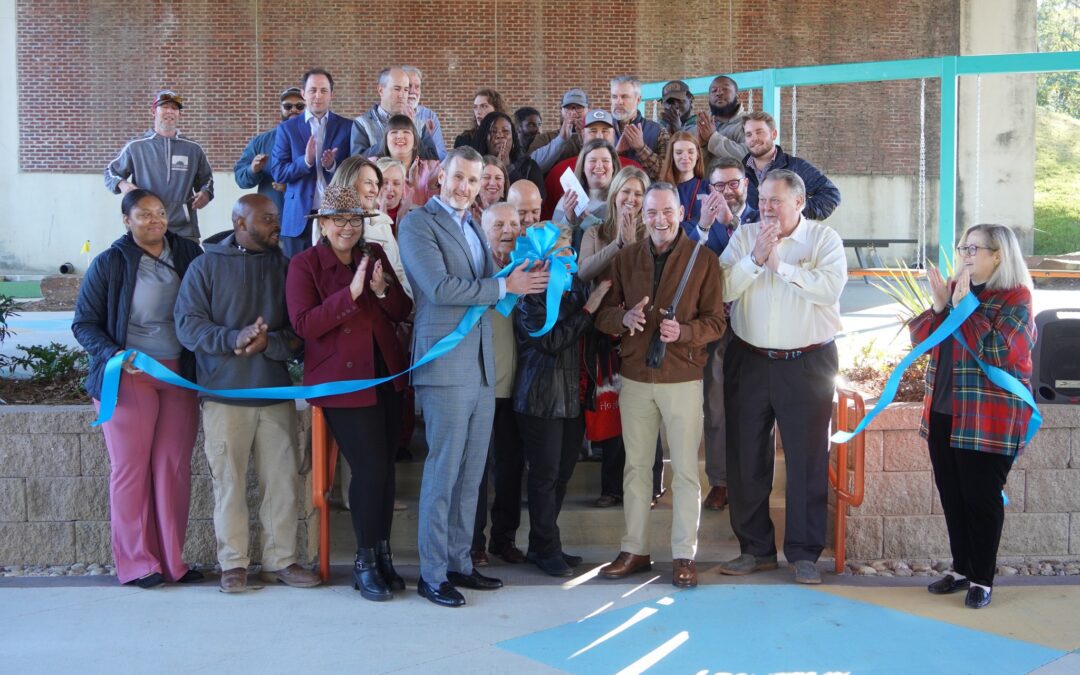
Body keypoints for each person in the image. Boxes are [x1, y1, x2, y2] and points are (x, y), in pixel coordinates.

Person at [398, 146, 549, 608]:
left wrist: (526, 277)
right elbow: (441, 289)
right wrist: (506, 286)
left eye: (472, 180)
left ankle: (461, 562)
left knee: (470, 475)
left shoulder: (471, 225)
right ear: (442, 176)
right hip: (445, 364)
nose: (464, 187)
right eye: (458, 178)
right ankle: (432, 572)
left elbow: (490, 291)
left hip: (482, 365)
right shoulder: (418, 223)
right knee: (444, 470)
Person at [174, 194, 320, 593]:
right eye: (268, 219)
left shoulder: (288, 268)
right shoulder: (204, 267)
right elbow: (187, 326)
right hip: (223, 397)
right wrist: (232, 337)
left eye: (276, 217)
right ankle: (233, 564)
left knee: (283, 483)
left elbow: (299, 333)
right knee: (230, 483)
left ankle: (281, 561)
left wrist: (268, 344)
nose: (277, 224)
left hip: (274, 396)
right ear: (241, 223)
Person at [717, 170, 846, 585]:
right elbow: (722, 288)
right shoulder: (744, 236)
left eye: (776, 201)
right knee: (745, 457)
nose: (767, 208)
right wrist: (755, 260)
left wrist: (781, 265)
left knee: (807, 458)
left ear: (799, 203)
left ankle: (804, 553)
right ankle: (754, 549)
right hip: (749, 359)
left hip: (808, 363)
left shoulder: (824, 241)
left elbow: (827, 290)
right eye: (763, 200)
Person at [593, 183, 725, 588]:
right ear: (642, 216)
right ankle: (635, 549)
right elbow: (603, 315)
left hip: (681, 377)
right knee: (635, 469)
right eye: (651, 212)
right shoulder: (627, 258)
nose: (659, 219)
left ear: (681, 213)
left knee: (685, 471)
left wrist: (682, 331)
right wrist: (623, 320)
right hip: (635, 377)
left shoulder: (704, 261)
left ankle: (685, 555)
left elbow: (717, 322)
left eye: (666, 211)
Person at [286, 186, 413, 601]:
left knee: (387, 469)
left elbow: (401, 310)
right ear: (322, 224)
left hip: (386, 375)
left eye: (354, 219)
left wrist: (379, 291)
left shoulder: (372, 254)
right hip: (343, 383)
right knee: (370, 468)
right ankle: (363, 560)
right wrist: (352, 295)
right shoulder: (305, 265)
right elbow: (304, 325)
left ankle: (383, 553)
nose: (347, 227)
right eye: (337, 219)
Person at [72, 188, 204, 589]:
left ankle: (171, 561)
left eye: (160, 213)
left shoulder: (188, 254)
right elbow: (84, 323)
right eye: (144, 214)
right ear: (126, 221)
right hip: (128, 376)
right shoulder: (110, 263)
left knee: (173, 469)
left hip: (177, 376)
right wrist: (114, 353)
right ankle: (137, 563)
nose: (155, 220)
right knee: (130, 470)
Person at [918, 224, 1035, 609]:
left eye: (974, 248)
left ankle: (982, 577)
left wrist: (964, 307)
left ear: (998, 254)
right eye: (963, 246)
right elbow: (921, 341)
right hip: (943, 411)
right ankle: (961, 567)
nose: (965, 254)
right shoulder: (956, 293)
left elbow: (997, 353)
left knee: (981, 499)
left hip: (989, 418)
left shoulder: (1015, 299)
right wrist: (940, 307)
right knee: (952, 495)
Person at [515, 225, 612, 577]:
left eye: (568, 250)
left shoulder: (572, 288)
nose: (567, 258)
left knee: (561, 476)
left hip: (573, 396)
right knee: (545, 477)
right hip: (542, 398)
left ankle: (542, 545)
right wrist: (589, 309)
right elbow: (552, 340)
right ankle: (546, 548)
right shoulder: (531, 294)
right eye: (558, 252)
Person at [578, 167, 663, 509]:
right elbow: (584, 271)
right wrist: (618, 245)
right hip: (606, 331)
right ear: (614, 195)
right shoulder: (595, 232)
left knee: (647, 412)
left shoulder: (656, 233)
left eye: (639, 194)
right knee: (615, 411)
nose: (631, 199)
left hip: (643, 331)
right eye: (625, 192)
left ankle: (651, 486)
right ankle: (612, 487)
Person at [697, 158, 759, 512]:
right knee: (716, 409)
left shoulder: (758, 217)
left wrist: (732, 224)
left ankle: (748, 480)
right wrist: (707, 226)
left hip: (755, 327)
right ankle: (719, 481)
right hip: (717, 331)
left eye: (732, 184)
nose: (726, 192)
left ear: (745, 185)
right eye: (718, 186)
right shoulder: (702, 225)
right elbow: (688, 261)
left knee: (754, 410)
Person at [471, 202, 527, 567]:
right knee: (475, 469)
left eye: (514, 223)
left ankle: (503, 539)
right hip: (478, 385)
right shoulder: (474, 269)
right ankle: (472, 541)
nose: (507, 230)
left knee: (510, 468)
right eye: (498, 224)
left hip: (517, 387)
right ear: (482, 228)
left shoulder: (530, 267)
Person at [105, 90, 214, 241]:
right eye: (164, 107)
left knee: (188, 265)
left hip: (185, 230)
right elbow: (110, 172)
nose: (170, 111)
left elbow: (206, 179)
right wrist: (124, 185)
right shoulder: (135, 147)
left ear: (179, 114)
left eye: (174, 108)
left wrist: (206, 193)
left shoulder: (193, 148)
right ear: (153, 111)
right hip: (146, 227)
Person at [271, 68, 353, 258]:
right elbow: (278, 172)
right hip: (299, 217)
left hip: (335, 215)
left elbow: (353, 171)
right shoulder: (286, 129)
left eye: (324, 90)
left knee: (334, 278)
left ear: (331, 94)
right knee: (298, 278)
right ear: (303, 93)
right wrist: (305, 161)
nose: (318, 95)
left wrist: (332, 165)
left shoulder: (347, 127)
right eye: (313, 90)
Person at [329, 155, 412, 299]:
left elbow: (399, 273)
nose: (375, 189)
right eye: (368, 183)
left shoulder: (383, 222)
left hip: (388, 305)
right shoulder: (327, 222)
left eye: (376, 183)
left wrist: (404, 301)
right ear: (350, 183)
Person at [541, 109, 641, 221]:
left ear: (614, 134)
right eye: (593, 131)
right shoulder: (560, 171)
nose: (599, 136)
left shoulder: (632, 169)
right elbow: (548, 219)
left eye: (605, 131)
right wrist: (568, 219)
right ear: (583, 134)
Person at [741, 111, 841, 221]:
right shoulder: (739, 172)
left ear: (774, 134)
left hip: (789, 236)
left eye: (759, 132)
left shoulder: (796, 167)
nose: (754, 138)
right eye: (749, 134)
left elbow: (831, 195)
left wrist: (796, 210)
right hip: (750, 235)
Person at [233, 86, 305, 214]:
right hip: (272, 221)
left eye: (299, 106)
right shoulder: (261, 141)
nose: (293, 109)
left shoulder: (317, 140)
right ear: (280, 108)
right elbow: (241, 179)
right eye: (288, 106)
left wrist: (291, 188)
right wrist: (252, 170)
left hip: (305, 217)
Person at [351, 67, 440, 159]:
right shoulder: (362, 123)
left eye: (406, 90)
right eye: (397, 89)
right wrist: (390, 140)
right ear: (380, 90)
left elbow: (432, 159)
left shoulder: (418, 124)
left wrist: (412, 130)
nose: (402, 95)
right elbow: (356, 163)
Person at [553, 139, 619, 248]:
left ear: (613, 166)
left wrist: (588, 219)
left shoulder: (621, 200)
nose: (599, 165)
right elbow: (553, 244)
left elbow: (620, 240)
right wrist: (569, 219)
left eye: (605, 160)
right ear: (583, 167)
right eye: (592, 160)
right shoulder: (567, 200)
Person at [659, 131, 715, 246]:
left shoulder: (709, 188)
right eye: (679, 153)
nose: (685, 157)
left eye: (690, 152)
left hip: (703, 249)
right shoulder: (661, 191)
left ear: (698, 155)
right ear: (672, 156)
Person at [472, 111, 545, 198]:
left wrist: (508, 168)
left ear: (513, 138)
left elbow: (539, 198)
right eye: (493, 131)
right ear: (484, 138)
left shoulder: (528, 165)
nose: (499, 135)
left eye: (505, 131)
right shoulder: (474, 166)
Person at [378, 114, 442, 210]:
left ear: (415, 142)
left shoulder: (432, 168)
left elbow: (440, 210)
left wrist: (432, 187)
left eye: (406, 132)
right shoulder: (373, 167)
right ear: (385, 141)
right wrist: (411, 187)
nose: (400, 136)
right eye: (394, 132)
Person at [610, 76, 669, 180]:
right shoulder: (603, 129)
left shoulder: (658, 131)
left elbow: (666, 173)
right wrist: (617, 153)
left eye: (624, 97)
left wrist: (641, 149)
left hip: (645, 195)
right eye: (614, 96)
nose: (618, 102)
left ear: (638, 99)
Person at [526, 88, 589, 173]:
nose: (574, 112)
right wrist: (561, 139)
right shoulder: (545, 138)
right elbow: (530, 167)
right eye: (568, 107)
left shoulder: (599, 136)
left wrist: (588, 140)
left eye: (579, 107)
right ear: (561, 111)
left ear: (588, 110)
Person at [696, 75, 749, 162]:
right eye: (714, 90)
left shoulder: (748, 123)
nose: (719, 93)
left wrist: (712, 138)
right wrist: (700, 146)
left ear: (737, 95)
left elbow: (748, 157)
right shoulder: (702, 124)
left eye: (725, 89)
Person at [402, 65, 447, 160]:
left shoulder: (429, 116)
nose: (413, 91)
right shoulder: (390, 114)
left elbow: (442, 156)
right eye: (409, 86)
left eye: (417, 87)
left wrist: (427, 139)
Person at [375, 157, 411, 234]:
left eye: (396, 183)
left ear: (403, 186)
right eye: (384, 182)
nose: (390, 189)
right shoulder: (363, 215)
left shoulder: (415, 214)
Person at [470, 155, 510, 223]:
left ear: (504, 184)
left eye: (498, 178)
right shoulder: (466, 212)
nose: (492, 183)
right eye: (486, 177)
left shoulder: (514, 211)